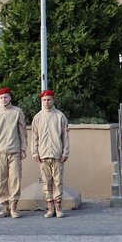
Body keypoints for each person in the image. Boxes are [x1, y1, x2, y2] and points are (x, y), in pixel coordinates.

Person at [0, 87, 27, 218]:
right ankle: (4, 207)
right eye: (1, 97)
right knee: (1, 180)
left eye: (6, 97)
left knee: (15, 179)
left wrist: (23, 149)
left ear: (10, 98)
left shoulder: (17, 112)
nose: (4, 99)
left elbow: (22, 132)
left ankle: (13, 207)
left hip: (14, 151)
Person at [31, 90, 69, 218]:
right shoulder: (37, 117)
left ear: (53, 100)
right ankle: (50, 208)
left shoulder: (60, 116)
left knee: (58, 181)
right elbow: (34, 137)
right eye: (44, 100)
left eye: (49, 99)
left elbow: (65, 137)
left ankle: (58, 207)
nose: (46, 102)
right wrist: (35, 152)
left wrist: (65, 152)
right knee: (46, 182)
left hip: (57, 154)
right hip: (43, 154)